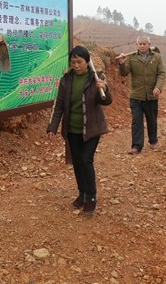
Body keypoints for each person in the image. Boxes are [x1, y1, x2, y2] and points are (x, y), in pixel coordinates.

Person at [47, 45, 112, 215]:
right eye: (73, 62)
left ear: (87, 62)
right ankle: (82, 193)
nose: (76, 65)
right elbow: (59, 105)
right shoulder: (66, 80)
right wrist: (52, 127)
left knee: (85, 160)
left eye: (79, 62)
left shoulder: (96, 78)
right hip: (72, 129)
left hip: (92, 129)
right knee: (77, 162)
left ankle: (91, 196)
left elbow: (106, 102)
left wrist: (104, 89)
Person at [117, 36, 166, 154]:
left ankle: (153, 141)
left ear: (149, 45)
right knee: (136, 121)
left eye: (145, 44)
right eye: (140, 44)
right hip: (136, 96)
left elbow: (161, 74)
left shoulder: (157, 57)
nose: (142, 46)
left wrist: (158, 87)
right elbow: (124, 73)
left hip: (151, 96)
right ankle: (137, 146)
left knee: (152, 120)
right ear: (137, 45)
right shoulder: (131, 58)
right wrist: (122, 63)